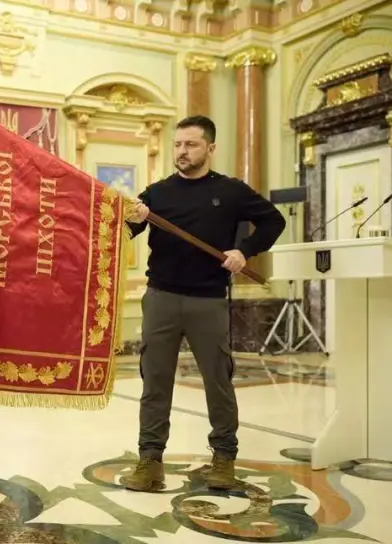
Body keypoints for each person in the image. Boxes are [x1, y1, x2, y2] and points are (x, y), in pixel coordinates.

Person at [121, 116, 285, 491]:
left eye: (191, 144)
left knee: (218, 381)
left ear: (210, 148)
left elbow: (273, 222)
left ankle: (224, 458)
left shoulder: (230, 191)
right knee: (155, 381)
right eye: (178, 144)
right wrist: (132, 216)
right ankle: (150, 460)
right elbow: (126, 231)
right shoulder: (157, 193)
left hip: (208, 301)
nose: (182, 151)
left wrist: (244, 251)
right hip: (161, 298)